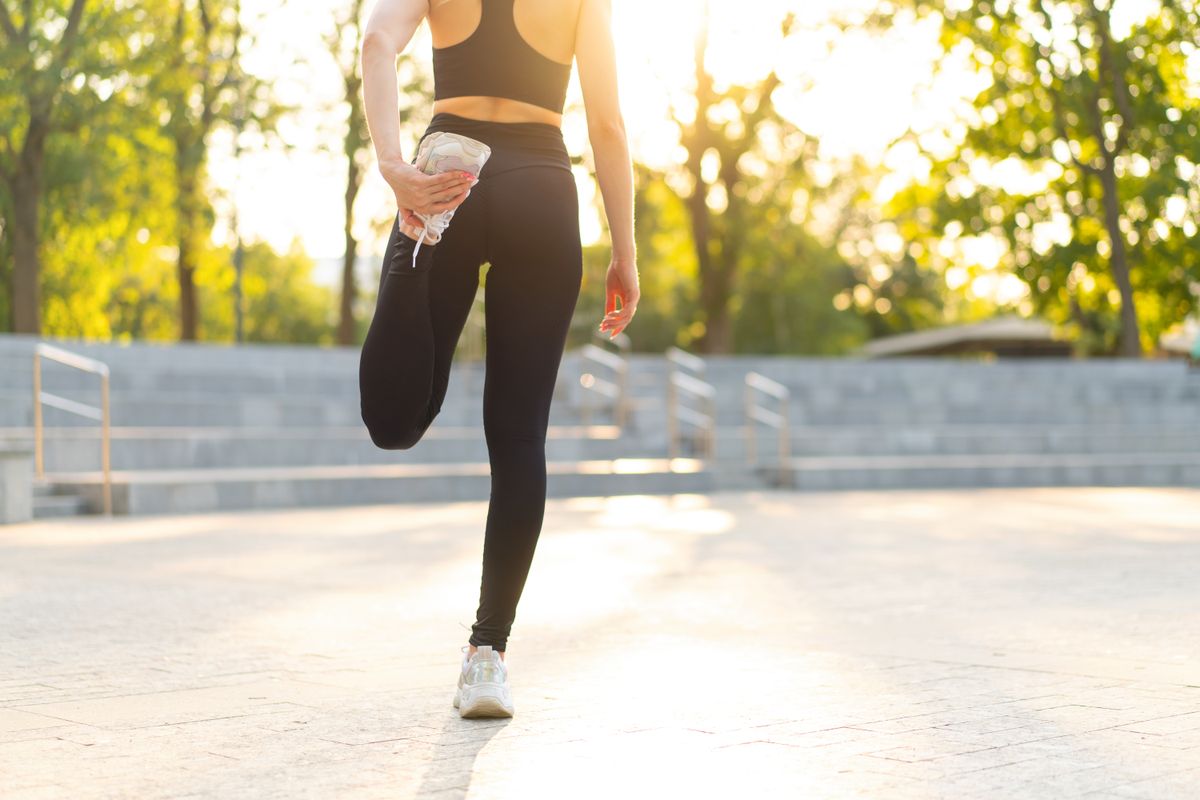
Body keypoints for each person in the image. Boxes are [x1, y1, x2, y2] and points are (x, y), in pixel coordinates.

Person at [357, 0, 639, 718]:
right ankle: (487, 656)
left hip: (445, 175)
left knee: (394, 424)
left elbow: (377, 40)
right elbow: (607, 122)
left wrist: (394, 168)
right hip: (543, 190)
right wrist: (624, 253)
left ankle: (418, 255)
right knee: (518, 438)